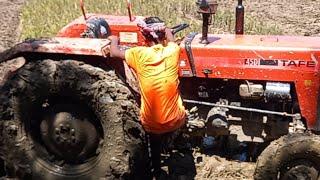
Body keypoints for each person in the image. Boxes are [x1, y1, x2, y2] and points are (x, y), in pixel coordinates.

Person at [102, 21, 186, 179]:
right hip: (176, 121)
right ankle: (170, 141)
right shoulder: (173, 51)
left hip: (152, 125)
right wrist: (167, 30)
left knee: (153, 138)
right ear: (163, 38)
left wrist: (113, 39)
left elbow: (114, 53)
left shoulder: (139, 54)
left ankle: (156, 170)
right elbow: (172, 39)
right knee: (178, 101)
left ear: (145, 38)